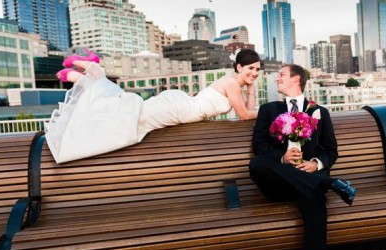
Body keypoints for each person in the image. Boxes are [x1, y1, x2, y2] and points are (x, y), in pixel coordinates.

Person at [249, 64, 356, 250]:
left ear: (296, 79)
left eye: (282, 75)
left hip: (307, 181)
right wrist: (282, 158)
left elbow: (330, 151)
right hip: (278, 183)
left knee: (314, 200)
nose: (277, 78)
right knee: (257, 165)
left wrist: (315, 164)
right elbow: (259, 146)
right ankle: (330, 183)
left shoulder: (319, 111)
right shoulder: (269, 110)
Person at [45, 48, 261, 164]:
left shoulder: (236, 84)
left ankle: (85, 69)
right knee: (124, 115)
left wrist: (251, 89)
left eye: (257, 70)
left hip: (180, 107)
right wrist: (266, 112)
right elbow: (245, 115)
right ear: (239, 67)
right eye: (250, 68)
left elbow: (247, 110)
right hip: (179, 109)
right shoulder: (232, 83)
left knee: (123, 111)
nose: (253, 73)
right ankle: (82, 72)